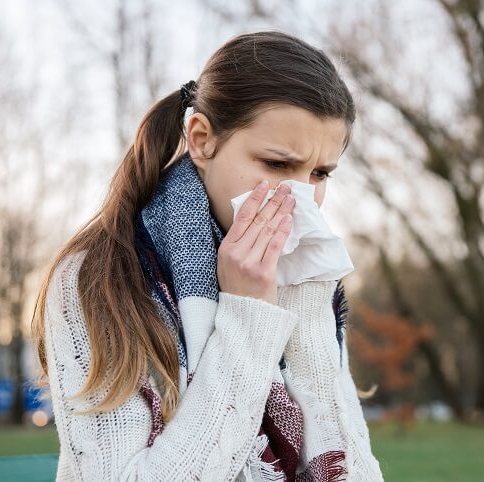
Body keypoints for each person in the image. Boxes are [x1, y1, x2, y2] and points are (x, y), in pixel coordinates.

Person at [30, 30, 384, 481]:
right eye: (277, 165)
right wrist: (249, 315)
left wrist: (307, 313)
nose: (301, 199)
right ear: (201, 140)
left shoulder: (304, 272)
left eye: (320, 173)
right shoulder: (96, 279)